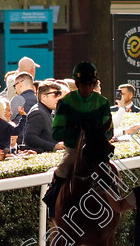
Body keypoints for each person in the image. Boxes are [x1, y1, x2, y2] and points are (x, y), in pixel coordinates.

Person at [43, 61, 113, 217]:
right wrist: (74, 130)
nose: (87, 88)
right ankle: (53, 208)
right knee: (62, 170)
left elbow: (110, 132)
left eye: (91, 84)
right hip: (74, 150)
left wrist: (97, 135)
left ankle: (115, 210)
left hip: (96, 151)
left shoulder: (103, 103)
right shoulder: (65, 103)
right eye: (84, 84)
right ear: (77, 83)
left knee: (110, 173)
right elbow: (56, 133)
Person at [23, 81, 66, 153]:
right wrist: (54, 146)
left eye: (59, 95)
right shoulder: (38, 112)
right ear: (43, 97)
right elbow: (29, 138)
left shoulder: (46, 111)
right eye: (55, 95)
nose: (58, 98)